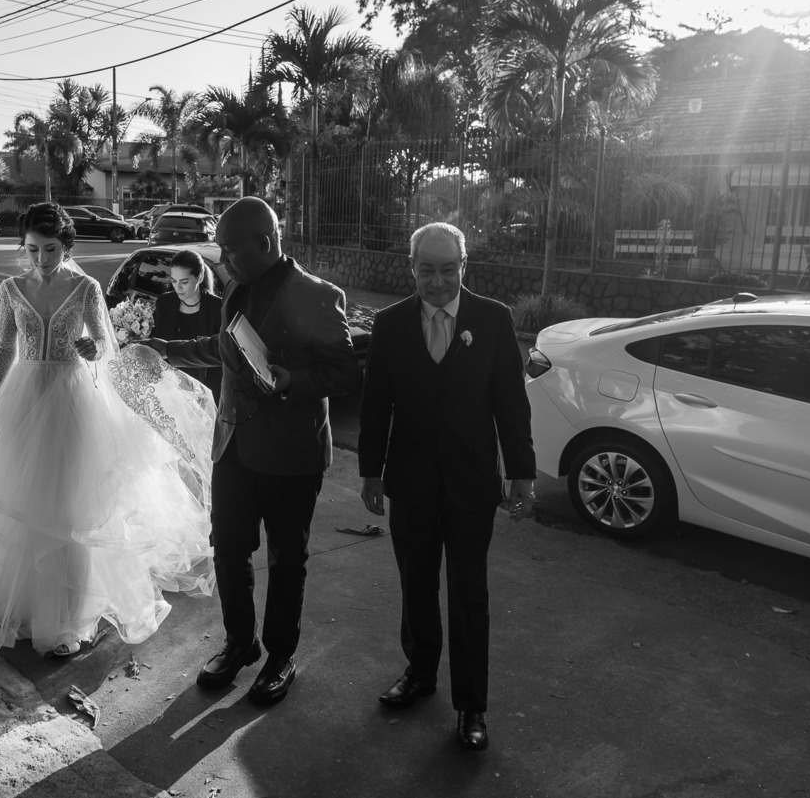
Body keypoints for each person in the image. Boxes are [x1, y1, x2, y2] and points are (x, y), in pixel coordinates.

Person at [0, 202, 217, 658]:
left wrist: (92, 344)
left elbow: (104, 343)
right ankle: (17, 605)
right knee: (17, 499)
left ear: (66, 247)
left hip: (72, 397)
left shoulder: (84, 287)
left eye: (50, 249)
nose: (41, 259)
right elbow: (4, 346)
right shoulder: (10, 288)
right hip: (22, 397)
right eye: (32, 250)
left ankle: (66, 618)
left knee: (69, 505)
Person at [145, 196, 360, 706]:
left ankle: (280, 657)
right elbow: (225, 351)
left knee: (287, 559)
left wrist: (293, 381)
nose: (221, 260)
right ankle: (241, 643)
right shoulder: (237, 286)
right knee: (229, 548)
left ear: (264, 243)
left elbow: (345, 372)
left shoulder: (318, 296)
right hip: (234, 443)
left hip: (290, 453)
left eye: (228, 249)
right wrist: (167, 351)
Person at [358, 221, 536, 752]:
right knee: (415, 583)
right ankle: (419, 672)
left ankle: (472, 705)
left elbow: (510, 402)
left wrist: (521, 471)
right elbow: (376, 405)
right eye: (427, 269)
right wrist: (370, 471)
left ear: (464, 267)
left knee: (468, 592)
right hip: (410, 482)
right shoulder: (390, 324)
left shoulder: (493, 319)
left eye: (448, 269)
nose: (437, 281)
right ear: (411, 267)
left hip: (470, 484)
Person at [150, 250, 223, 402]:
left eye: (184, 282)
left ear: (200, 277)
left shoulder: (218, 308)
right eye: (174, 281)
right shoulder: (165, 303)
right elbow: (156, 341)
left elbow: (219, 354)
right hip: (170, 392)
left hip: (205, 393)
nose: (178, 288)